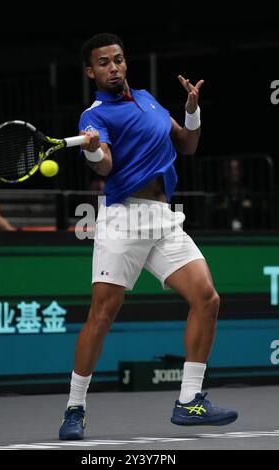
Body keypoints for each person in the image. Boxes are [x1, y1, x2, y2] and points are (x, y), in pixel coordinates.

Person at [59, 33, 238, 440]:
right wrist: (90, 149)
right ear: (91, 72)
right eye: (103, 63)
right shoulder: (94, 116)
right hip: (123, 220)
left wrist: (191, 111)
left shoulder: (148, 99)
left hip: (163, 218)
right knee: (102, 315)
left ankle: (189, 400)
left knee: (207, 298)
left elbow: (187, 145)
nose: (114, 68)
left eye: (118, 60)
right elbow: (104, 167)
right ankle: (75, 406)